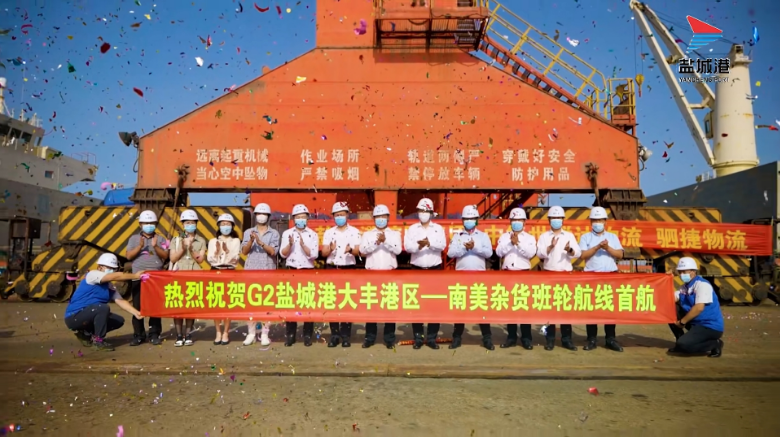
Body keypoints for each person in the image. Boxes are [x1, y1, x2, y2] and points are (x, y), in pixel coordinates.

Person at [65, 253, 144, 351]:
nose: (111, 270)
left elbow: (120, 300)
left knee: (118, 320)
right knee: (102, 308)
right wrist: (135, 275)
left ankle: (86, 334)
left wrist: (136, 313)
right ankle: (98, 341)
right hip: (74, 316)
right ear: (100, 267)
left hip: (89, 314)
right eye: (109, 268)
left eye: (113, 268)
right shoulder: (92, 275)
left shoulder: (109, 286)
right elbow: (113, 277)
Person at [447, 205, 495, 350]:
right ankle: (457, 337)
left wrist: (475, 248)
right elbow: (450, 253)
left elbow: (489, 253)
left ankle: (487, 338)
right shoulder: (457, 236)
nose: (469, 221)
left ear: (476, 220)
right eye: (466, 218)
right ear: (462, 220)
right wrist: (464, 248)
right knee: (460, 307)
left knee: (481, 307)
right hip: (461, 277)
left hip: (478, 277)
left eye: (471, 218)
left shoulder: (483, 236)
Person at [578, 206, 624, 352]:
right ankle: (592, 339)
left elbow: (620, 254)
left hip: (610, 276)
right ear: (590, 222)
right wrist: (597, 247)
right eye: (594, 220)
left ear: (605, 221)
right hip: (592, 276)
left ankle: (610, 338)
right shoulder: (586, 237)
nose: (597, 223)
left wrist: (607, 248)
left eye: (600, 220)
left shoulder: (612, 237)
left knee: (609, 308)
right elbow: (583, 255)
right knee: (592, 308)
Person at [403, 198, 446, 350]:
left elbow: (442, 245)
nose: (423, 213)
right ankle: (418, 338)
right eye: (420, 211)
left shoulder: (438, 229)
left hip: (434, 270)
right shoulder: (412, 229)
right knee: (416, 304)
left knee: (434, 305)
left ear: (431, 212)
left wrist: (429, 244)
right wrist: (419, 246)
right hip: (417, 269)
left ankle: (432, 338)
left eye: (425, 211)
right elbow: (407, 247)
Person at [536, 205, 581, 351]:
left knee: (565, 309)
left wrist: (569, 250)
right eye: (553, 217)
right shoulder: (544, 236)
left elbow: (577, 253)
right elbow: (539, 254)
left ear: (563, 219)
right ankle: (549, 340)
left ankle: (566, 339)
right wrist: (550, 247)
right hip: (549, 275)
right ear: (549, 220)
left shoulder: (569, 236)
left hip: (565, 276)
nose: (556, 220)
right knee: (549, 310)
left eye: (559, 217)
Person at [360, 204, 402, 349]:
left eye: (383, 216)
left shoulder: (394, 234)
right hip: (372, 274)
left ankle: (389, 339)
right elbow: (363, 250)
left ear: (388, 218)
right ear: (373, 218)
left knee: (389, 306)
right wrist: (376, 242)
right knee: (371, 306)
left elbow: (398, 250)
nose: (381, 219)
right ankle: (370, 338)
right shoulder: (367, 234)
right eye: (378, 217)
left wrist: (385, 241)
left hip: (389, 274)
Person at [321, 201, 362, 347]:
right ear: (333, 216)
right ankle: (334, 335)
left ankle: (345, 336)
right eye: (337, 215)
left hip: (348, 268)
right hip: (332, 268)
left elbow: (359, 251)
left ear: (347, 215)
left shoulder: (354, 232)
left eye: (342, 214)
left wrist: (350, 250)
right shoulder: (328, 232)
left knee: (346, 301)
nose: (339, 217)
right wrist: (331, 249)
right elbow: (324, 253)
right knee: (332, 301)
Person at [126, 210, 169, 346]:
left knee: (155, 307)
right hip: (138, 277)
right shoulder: (133, 239)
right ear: (140, 224)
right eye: (146, 223)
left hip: (155, 279)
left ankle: (154, 334)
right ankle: (138, 335)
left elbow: (165, 256)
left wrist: (155, 246)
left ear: (155, 224)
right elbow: (128, 256)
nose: (149, 225)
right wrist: (139, 246)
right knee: (137, 307)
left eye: (151, 223)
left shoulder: (161, 239)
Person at [495, 207, 536, 350]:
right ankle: (511, 337)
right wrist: (510, 243)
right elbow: (499, 252)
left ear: (524, 222)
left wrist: (518, 243)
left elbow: (530, 253)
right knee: (510, 307)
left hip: (524, 274)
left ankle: (526, 338)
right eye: (514, 220)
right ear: (510, 221)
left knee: (524, 306)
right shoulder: (504, 237)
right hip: (508, 273)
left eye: (519, 220)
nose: (516, 222)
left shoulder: (529, 238)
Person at [241, 203, 280, 346]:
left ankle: (264, 333)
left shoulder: (274, 233)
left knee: (266, 304)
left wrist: (260, 242)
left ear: (268, 216)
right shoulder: (248, 232)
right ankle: (251, 333)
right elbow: (244, 251)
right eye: (258, 214)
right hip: (251, 271)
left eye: (263, 214)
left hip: (268, 271)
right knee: (251, 303)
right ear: (255, 216)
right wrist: (252, 241)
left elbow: (273, 251)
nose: (261, 216)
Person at [279, 204, 319, 347]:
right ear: (294, 218)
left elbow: (314, 255)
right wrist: (290, 245)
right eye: (298, 217)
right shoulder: (287, 233)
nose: (301, 219)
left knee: (307, 303)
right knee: (291, 303)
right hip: (292, 271)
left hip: (307, 271)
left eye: (303, 217)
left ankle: (307, 335)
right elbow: (282, 254)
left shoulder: (313, 234)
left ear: (307, 218)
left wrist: (303, 246)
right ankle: (290, 335)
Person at [668, 257, 724, 357]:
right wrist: (666, 279)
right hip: (694, 323)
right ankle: (679, 341)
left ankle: (715, 343)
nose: (682, 275)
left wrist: (682, 322)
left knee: (685, 346)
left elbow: (699, 308)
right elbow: (669, 299)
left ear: (693, 271)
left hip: (709, 326)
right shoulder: (684, 288)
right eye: (680, 272)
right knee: (670, 308)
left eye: (684, 272)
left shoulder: (702, 285)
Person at [168, 209, 207, 347]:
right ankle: (179, 335)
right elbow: (173, 258)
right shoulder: (176, 240)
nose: (190, 225)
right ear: (183, 224)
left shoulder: (201, 240)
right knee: (178, 306)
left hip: (194, 275)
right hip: (178, 275)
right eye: (187, 222)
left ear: (196, 224)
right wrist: (183, 248)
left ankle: (188, 334)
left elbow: (200, 259)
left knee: (190, 305)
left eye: (192, 222)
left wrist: (190, 249)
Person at [207, 213, 241, 345]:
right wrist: (217, 252)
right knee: (216, 303)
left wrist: (226, 251)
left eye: (228, 224)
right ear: (219, 226)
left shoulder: (236, 241)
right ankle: (218, 331)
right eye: (223, 224)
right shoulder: (213, 241)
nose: (225, 226)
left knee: (228, 303)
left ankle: (226, 332)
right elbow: (211, 259)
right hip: (215, 272)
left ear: (232, 226)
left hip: (229, 272)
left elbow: (235, 259)